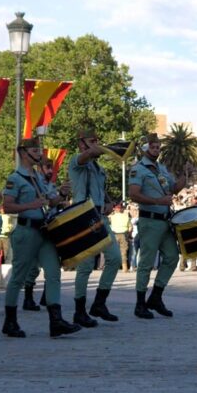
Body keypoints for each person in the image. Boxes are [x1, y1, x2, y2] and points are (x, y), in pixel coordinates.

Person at [0, 136, 80, 338]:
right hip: (26, 232)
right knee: (18, 277)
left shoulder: (38, 178)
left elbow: (50, 202)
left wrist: (61, 195)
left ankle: (56, 321)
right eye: (34, 151)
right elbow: (7, 206)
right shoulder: (15, 179)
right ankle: (10, 322)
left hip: (44, 232)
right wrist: (29, 205)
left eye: (38, 150)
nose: (38, 154)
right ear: (23, 153)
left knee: (54, 273)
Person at [68, 127, 121, 327]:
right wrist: (96, 149)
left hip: (100, 216)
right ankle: (79, 311)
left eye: (97, 140)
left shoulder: (99, 169)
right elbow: (89, 154)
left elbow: (102, 191)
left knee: (115, 258)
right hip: (83, 216)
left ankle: (99, 303)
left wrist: (108, 202)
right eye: (92, 140)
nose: (96, 143)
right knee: (86, 266)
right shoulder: (76, 161)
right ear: (81, 143)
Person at [129, 133, 186, 319]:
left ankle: (155, 297)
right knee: (146, 262)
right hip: (150, 220)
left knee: (171, 257)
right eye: (153, 146)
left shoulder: (161, 168)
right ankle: (139, 304)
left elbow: (174, 188)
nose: (157, 149)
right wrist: (158, 201)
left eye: (158, 146)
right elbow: (134, 195)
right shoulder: (138, 169)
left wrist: (186, 174)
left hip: (164, 220)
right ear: (145, 148)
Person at [108, 202, 131, 273]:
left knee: (113, 251)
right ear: (121, 208)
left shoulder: (111, 216)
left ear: (114, 209)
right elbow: (130, 227)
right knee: (123, 251)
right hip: (124, 234)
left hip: (114, 234)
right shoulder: (126, 216)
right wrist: (128, 234)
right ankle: (124, 268)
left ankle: (112, 267)